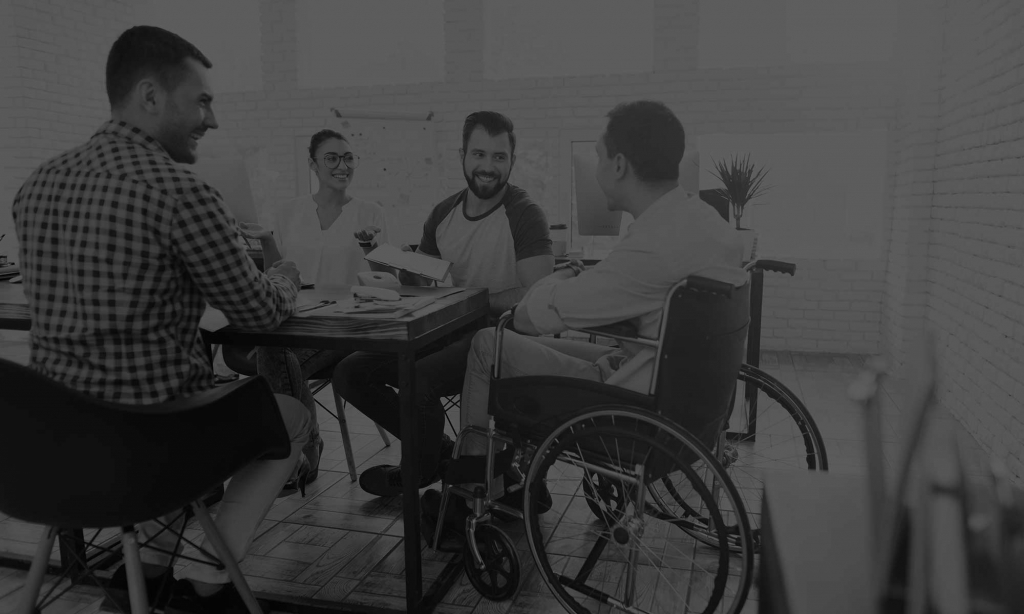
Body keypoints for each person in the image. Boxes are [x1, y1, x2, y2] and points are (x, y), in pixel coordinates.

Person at [11, 25, 309, 614]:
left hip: (49, 457)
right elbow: (259, 310)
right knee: (291, 417)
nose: (213, 120)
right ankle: (204, 571)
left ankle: (135, 582)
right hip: (149, 453)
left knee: (149, 407)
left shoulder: (34, 186)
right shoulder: (179, 192)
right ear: (150, 96)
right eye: (201, 100)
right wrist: (286, 276)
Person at [430, 100, 745, 517]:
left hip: (636, 403)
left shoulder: (652, 245)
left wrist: (561, 279)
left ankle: (469, 495)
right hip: (679, 388)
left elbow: (531, 315)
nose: (595, 170)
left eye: (597, 157)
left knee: (491, 342)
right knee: (533, 348)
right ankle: (511, 477)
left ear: (617, 165)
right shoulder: (707, 223)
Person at [332, 111, 554, 497]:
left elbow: (538, 295)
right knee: (351, 372)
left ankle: (417, 471)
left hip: (503, 338)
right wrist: (392, 260)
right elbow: (421, 286)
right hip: (450, 330)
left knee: (418, 381)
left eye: (499, 157)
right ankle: (434, 453)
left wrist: (471, 300)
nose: (488, 166)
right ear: (463, 156)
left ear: (512, 161)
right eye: (479, 154)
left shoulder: (524, 213)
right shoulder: (442, 213)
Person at [237, 129, 390, 492]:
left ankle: (298, 450)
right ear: (313, 164)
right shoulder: (289, 211)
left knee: (270, 357)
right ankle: (307, 445)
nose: (342, 165)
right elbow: (279, 272)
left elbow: (387, 281)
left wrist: (372, 249)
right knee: (275, 349)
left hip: (345, 327)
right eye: (332, 158)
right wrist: (269, 242)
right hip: (296, 322)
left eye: (348, 157)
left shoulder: (371, 212)